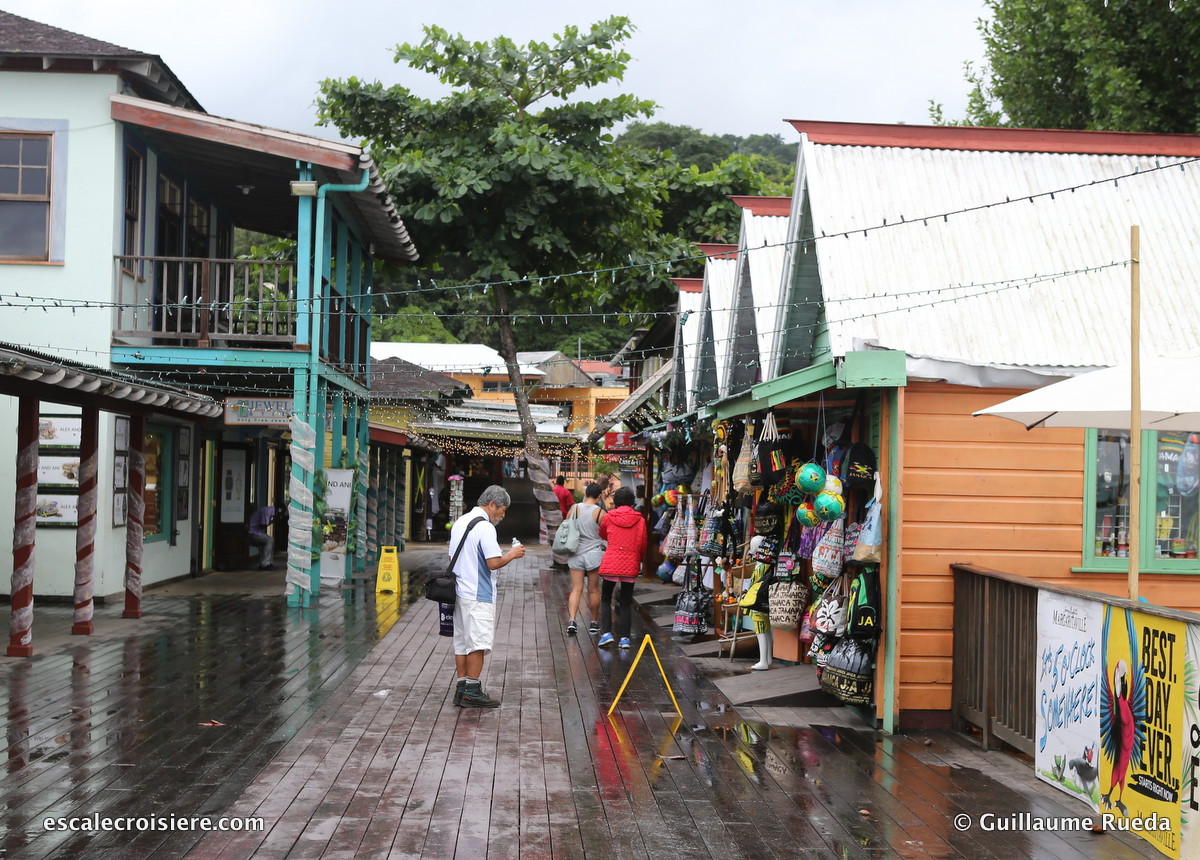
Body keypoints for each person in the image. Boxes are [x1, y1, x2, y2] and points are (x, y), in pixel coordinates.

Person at [448, 485, 526, 708]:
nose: (503, 514)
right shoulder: (485, 527)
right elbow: (493, 563)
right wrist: (512, 554)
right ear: (491, 504)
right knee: (478, 644)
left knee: (462, 643)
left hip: (459, 592)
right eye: (502, 509)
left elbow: (452, 556)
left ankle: (461, 688)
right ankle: (472, 691)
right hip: (478, 594)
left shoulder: (461, 522)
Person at [596, 487, 647, 650]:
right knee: (626, 601)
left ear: (616, 501)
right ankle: (624, 638)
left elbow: (603, 533)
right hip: (630, 562)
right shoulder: (639, 519)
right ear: (632, 502)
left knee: (605, 598)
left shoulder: (609, 516)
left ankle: (606, 634)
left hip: (612, 561)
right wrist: (637, 559)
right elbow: (642, 543)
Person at [564, 483, 605, 637]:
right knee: (593, 589)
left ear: (585, 493)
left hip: (576, 552)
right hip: (594, 554)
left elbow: (567, 525)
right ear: (599, 496)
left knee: (576, 589)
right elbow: (605, 532)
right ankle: (593, 622)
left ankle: (572, 620)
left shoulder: (574, 508)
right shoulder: (600, 512)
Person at [248, 504, 278, 570]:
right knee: (269, 540)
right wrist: (272, 521)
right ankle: (265, 564)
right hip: (251, 532)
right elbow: (262, 525)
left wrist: (271, 521)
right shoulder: (268, 511)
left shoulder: (269, 510)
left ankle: (264, 563)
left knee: (265, 541)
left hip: (254, 531)